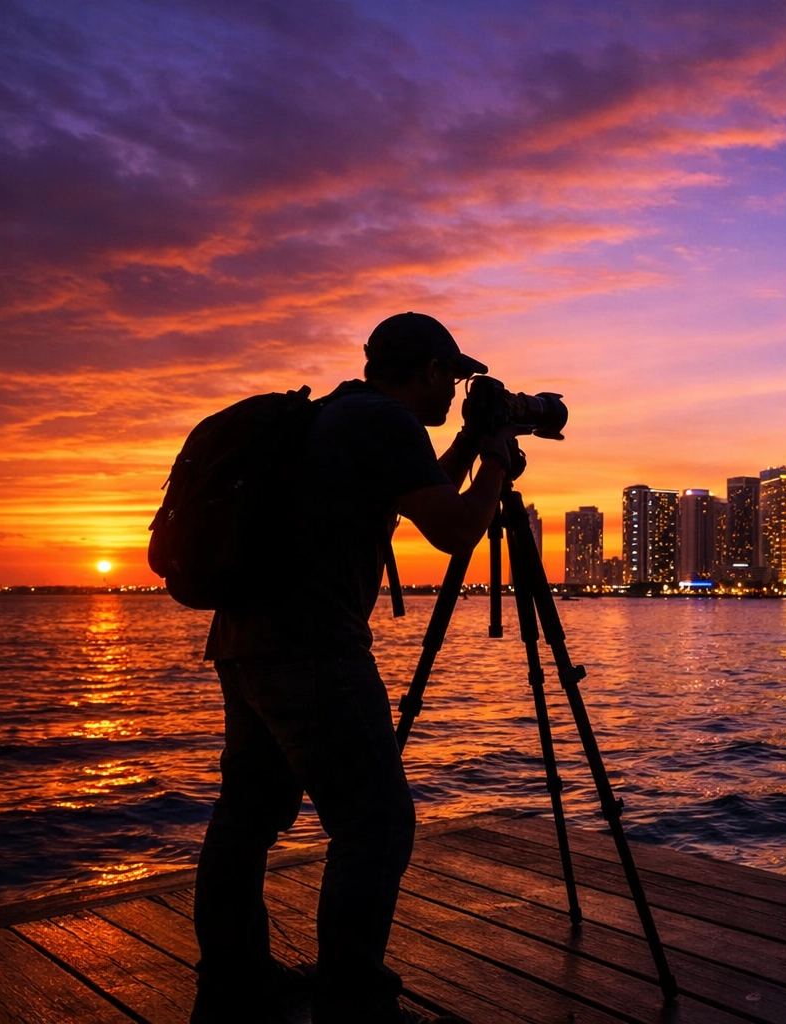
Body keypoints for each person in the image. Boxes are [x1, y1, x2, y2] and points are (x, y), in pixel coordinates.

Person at [191, 312, 519, 1024]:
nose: (457, 392)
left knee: (248, 816)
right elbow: (457, 528)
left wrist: (469, 442)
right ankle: (353, 1000)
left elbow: (422, 489)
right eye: (455, 378)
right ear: (429, 370)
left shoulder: (337, 414)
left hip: (245, 641)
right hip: (312, 648)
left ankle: (232, 980)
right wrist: (497, 459)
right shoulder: (386, 423)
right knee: (375, 823)